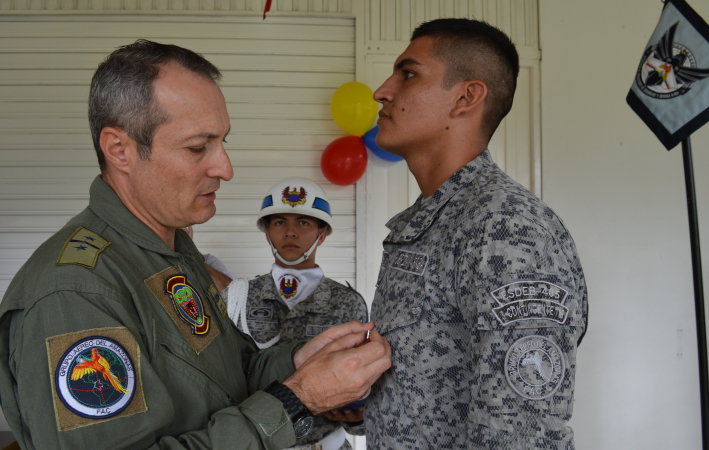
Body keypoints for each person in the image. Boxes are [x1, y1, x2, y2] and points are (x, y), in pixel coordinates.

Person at [0, 40, 391, 450]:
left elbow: (226, 375)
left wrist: (297, 361)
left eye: (223, 142)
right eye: (197, 147)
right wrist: (299, 398)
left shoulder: (172, 252)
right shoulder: (75, 294)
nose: (225, 168)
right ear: (120, 150)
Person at [364, 19, 588, 449]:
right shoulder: (432, 219)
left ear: (466, 97)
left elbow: (521, 433)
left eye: (408, 74)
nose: (382, 90)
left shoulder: (505, 228)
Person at [217, 176, 368, 450]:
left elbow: (364, 386)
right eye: (279, 222)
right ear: (266, 232)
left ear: (322, 233)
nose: (290, 232)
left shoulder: (347, 302)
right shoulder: (238, 297)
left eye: (303, 222)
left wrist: (358, 416)